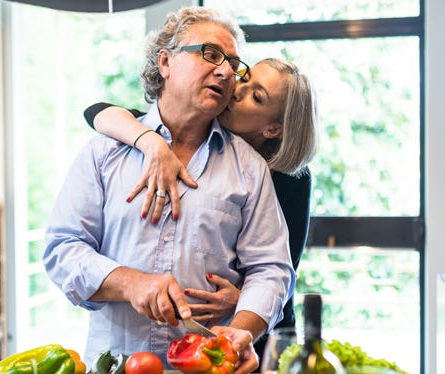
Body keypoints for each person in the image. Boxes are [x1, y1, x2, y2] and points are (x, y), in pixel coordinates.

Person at [44, 7, 295, 373]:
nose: (226, 71)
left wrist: (240, 333)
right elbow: (61, 249)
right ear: (165, 61)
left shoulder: (250, 168)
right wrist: (130, 284)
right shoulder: (105, 152)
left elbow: (271, 269)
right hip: (116, 364)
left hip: (210, 366)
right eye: (211, 55)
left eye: (234, 65)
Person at [82, 57, 317, 364]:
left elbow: (280, 267)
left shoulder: (288, 180)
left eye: (256, 97)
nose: (237, 91)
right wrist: (152, 143)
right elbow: (96, 112)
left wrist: (241, 301)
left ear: (273, 128)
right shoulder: (169, 135)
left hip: (258, 338)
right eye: (244, 80)